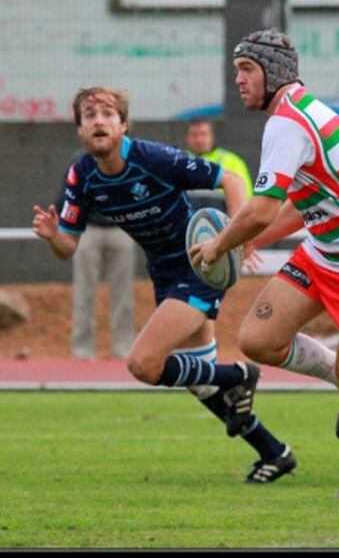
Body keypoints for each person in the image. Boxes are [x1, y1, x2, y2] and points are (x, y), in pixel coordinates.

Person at [189, 28, 339, 498]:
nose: (239, 81)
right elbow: (296, 204)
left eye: (247, 69)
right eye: (237, 71)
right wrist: (246, 240)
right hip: (326, 249)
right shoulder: (295, 113)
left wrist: (219, 246)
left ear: (273, 72)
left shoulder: (289, 121)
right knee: (258, 340)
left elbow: (260, 209)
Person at [32, 87, 296, 484]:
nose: (99, 120)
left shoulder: (153, 158)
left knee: (144, 364)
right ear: (80, 129)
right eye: (89, 115)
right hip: (164, 272)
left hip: (201, 263)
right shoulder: (81, 174)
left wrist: (236, 239)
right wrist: (53, 235)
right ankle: (274, 452)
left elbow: (230, 178)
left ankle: (240, 374)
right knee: (200, 382)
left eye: (108, 113)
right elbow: (68, 247)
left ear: (124, 124)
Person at [55, 156, 136, 360]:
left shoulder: (132, 163)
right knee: (84, 293)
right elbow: (64, 200)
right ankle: (82, 352)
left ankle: (124, 349)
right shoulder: (79, 165)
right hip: (87, 230)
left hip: (121, 230)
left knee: (123, 294)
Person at [185, 118, 254, 212]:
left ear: (212, 137)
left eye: (203, 134)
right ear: (187, 137)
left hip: (222, 223)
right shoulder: (178, 160)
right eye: (194, 135)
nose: (198, 139)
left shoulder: (232, 161)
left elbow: (245, 199)